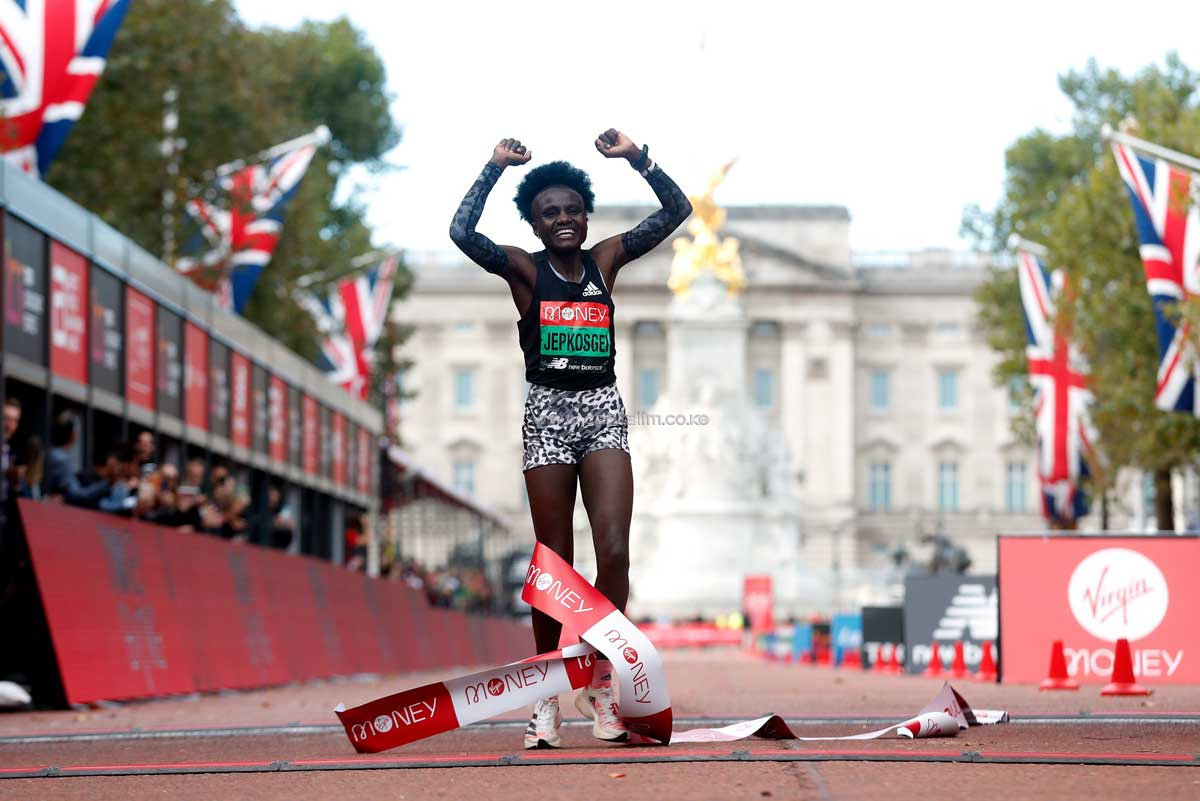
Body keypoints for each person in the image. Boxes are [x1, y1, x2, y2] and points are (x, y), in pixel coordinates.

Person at [449, 130, 691, 749]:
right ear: (535, 221)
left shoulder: (606, 259)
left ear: (586, 214)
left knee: (614, 551)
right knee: (553, 562)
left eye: (572, 209)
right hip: (547, 416)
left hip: (602, 410)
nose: (563, 219)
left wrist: (638, 157)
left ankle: (601, 683)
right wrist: (493, 167)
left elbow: (676, 212)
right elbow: (462, 234)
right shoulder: (524, 270)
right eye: (549, 212)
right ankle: (545, 698)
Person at [45, 413, 109, 507]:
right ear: (73, 435)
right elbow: (77, 495)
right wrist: (107, 483)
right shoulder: (62, 459)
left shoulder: (51, 453)